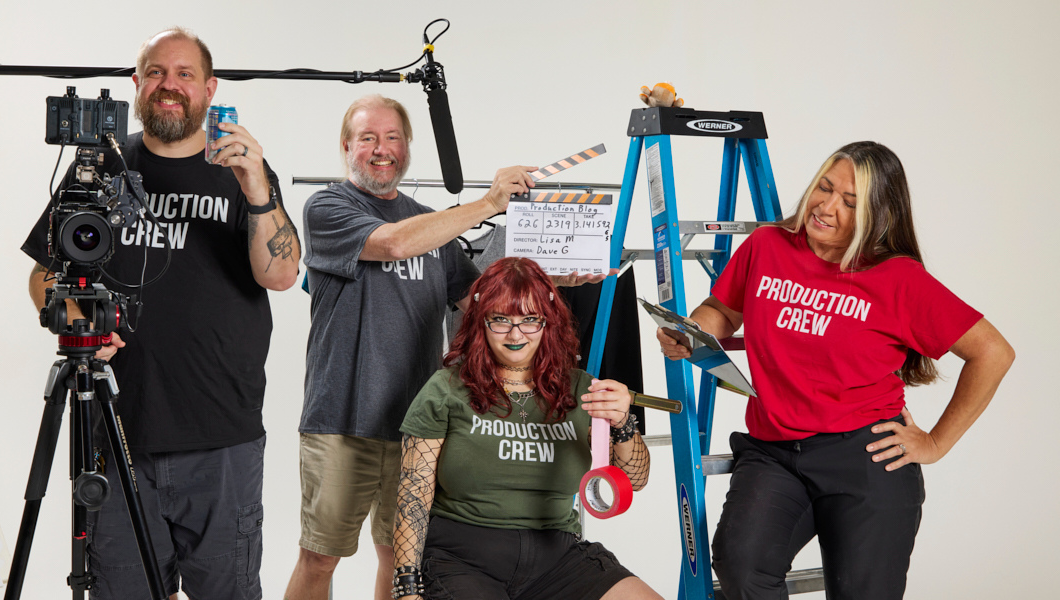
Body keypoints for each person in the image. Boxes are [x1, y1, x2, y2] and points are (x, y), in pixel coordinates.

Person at [656, 141, 1014, 599]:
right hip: (774, 452)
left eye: (850, 202)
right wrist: (693, 333)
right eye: (823, 188)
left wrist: (935, 443)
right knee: (741, 566)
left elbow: (993, 352)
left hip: (865, 455)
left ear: (877, 215)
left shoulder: (898, 278)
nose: (825, 207)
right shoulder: (767, 245)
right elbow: (723, 310)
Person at [285, 95, 606, 600]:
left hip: (419, 425)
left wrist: (550, 283)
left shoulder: (432, 225)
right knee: (321, 557)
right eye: (368, 137)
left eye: (393, 137)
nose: (382, 149)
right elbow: (392, 243)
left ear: (407, 147)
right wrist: (488, 204)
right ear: (346, 146)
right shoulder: (328, 208)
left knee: (400, 554)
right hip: (343, 420)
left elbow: (482, 302)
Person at [21, 27, 300, 600]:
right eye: (156, 73)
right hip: (117, 427)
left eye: (184, 74)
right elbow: (43, 274)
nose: (169, 85)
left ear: (210, 88)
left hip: (220, 436)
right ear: (137, 83)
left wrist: (257, 186)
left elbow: (281, 274)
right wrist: (82, 321)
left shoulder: (243, 170)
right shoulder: (101, 165)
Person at [392, 257, 663, 600]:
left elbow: (634, 480)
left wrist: (623, 422)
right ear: (481, 322)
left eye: (530, 320)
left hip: (558, 558)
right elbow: (413, 495)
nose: (516, 334)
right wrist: (406, 585)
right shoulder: (446, 389)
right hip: (462, 559)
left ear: (548, 322)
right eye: (501, 320)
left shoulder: (582, 389)